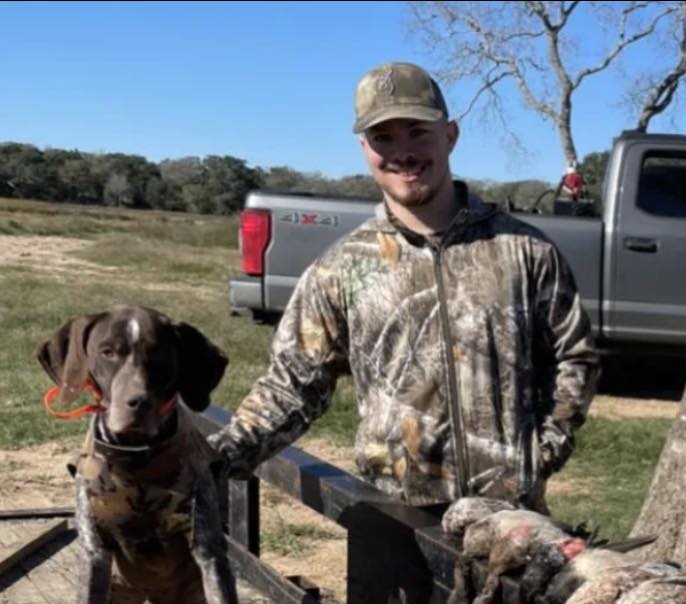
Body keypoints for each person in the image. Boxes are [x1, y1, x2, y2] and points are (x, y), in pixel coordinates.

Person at [211, 62, 600, 513]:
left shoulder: (526, 252)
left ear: (449, 135)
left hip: (511, 521)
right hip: (396, 521)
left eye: (417, 132)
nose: (403, 152)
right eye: (384, 138)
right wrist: (220, 457)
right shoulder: (341, 268)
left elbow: (575, 356)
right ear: (364, 149)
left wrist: (541, 452)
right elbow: (294, 383)